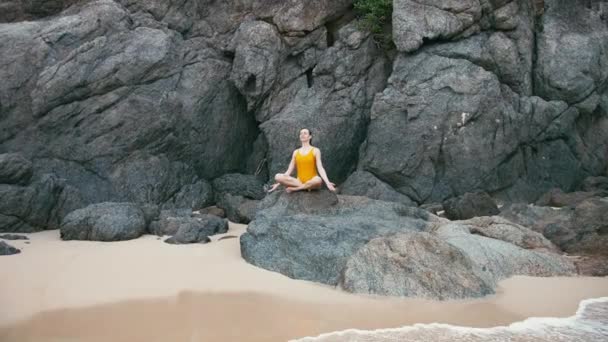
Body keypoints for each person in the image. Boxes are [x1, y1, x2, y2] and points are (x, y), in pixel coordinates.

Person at [267, 128, 336, 193]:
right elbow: (289, 171)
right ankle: (304, 187)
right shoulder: (296, 152)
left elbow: (320, 167)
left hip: (312, 180)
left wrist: (327, 182)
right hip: (299, 181)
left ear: (310, 137)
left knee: (318, 180)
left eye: (305, 133)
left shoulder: (315, 150)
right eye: (301, 133)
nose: (302, 135)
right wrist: (279, 183)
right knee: (278, 176)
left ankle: (297, 188)